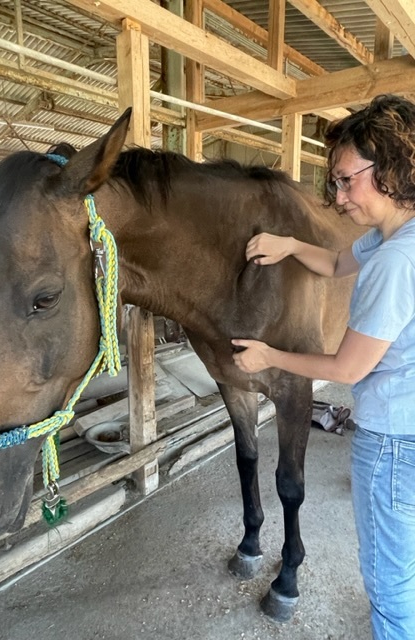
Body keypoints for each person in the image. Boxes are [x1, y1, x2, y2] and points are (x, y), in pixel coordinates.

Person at [231, 94, 415, 640]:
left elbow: (348, 368)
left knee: (388, 590)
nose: (337, 196)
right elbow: (336, 262)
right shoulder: (395, 235)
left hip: (393, 441)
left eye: (345, 180)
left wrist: (269, 356)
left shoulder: (395, 262)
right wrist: (290, 244)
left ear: (386, 168)